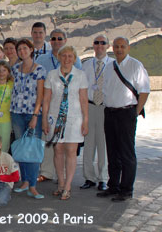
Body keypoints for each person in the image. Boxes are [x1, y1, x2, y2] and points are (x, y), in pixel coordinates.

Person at [98, 37, 149, 202]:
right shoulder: (109, 66)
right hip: (110, 113)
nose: (119, 49)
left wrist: (135, 112)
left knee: (126, 153)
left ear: (128, 48)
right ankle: (113, 186)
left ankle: (126, 189)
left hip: (126, 113)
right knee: (112, 151)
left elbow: (144, 91)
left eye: (122, 46)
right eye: (117, 46)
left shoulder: (136, 65)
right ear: (113, 48)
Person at [42, 46, 89, 200]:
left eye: (70, 56)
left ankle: (68, 186)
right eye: (64, 56)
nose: (67, 59)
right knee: (58, 150)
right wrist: (44, 119)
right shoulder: (52, 75)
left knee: (71, 151)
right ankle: (60, 183)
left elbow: (83, 100)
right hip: (55, 117)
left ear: (74, 58)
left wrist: (85, 120)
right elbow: (47, 99)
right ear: (59, 57)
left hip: (74, 119)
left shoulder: (80, 75)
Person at [36, 28, 81, 183]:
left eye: (59, 39)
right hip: (50, 107)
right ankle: (47, 172)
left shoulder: (75, 59)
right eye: (54, 39)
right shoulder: (42, 59)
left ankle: (62, 177)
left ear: (65, 40)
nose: (56, 41)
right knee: (51, 144)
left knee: (66, 147)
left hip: (70, 110)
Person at [10, 38, 46, 199]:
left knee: (32, 148)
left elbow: (40, 95)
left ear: (31, 50)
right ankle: (24, 181)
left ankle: (32, 184)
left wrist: (36, 115)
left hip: (32, 113)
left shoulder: (39, 70)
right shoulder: (15, 69)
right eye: (20, 49)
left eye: (25, 48)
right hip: (16, 112)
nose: (22, 52)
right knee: (21, 147)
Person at [81, 35, 111, 191]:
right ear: (93, 45)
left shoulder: (113, 65)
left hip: (106, 108)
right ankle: (89, 178)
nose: (99, 46)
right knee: (89, 144)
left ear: (108, 46)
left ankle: (103, 178)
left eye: (103, 43)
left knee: (103, 144)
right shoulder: (85, 65)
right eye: (97, 43)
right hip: (90, 106)